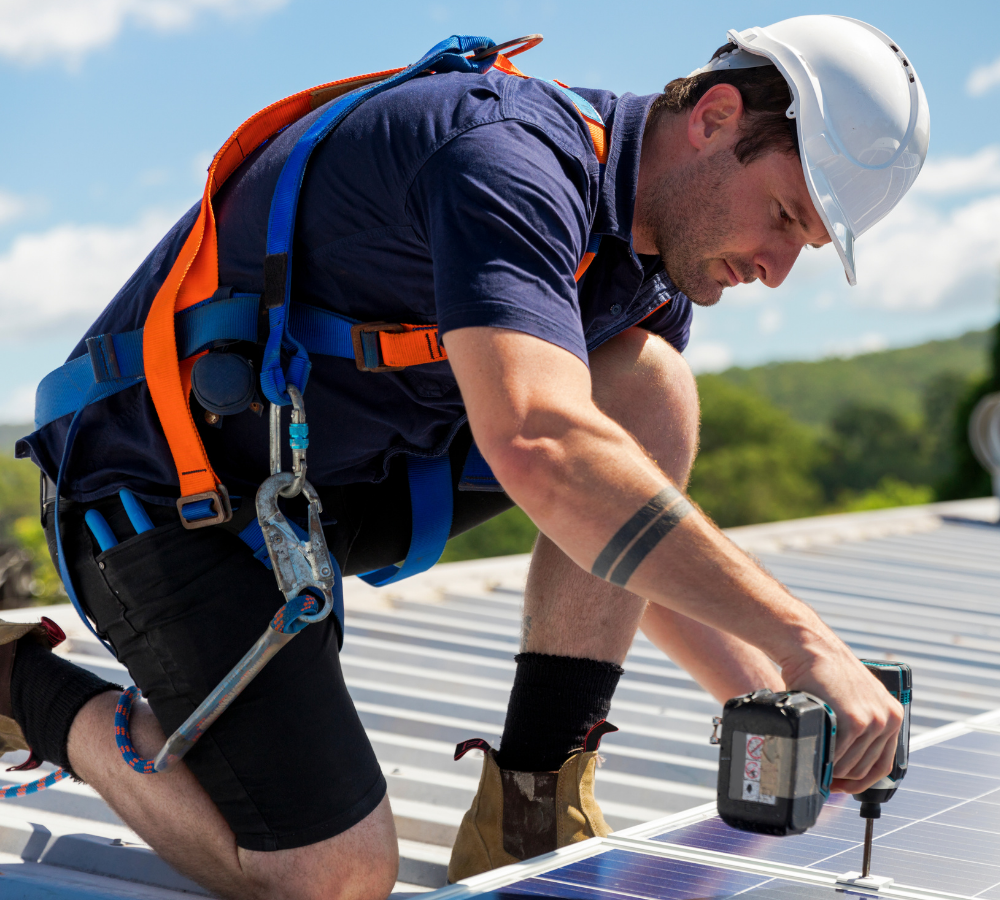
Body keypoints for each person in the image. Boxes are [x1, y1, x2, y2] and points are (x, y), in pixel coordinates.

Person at [0, 15, 929, 900]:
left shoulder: (648, 265)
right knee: (331, 877)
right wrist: (806, 642)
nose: (777, 267)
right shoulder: (506, 159)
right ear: (715, 117)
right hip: (158, 501)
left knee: (645, 387)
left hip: (314, 493)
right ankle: (21, 683)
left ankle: (531, 804)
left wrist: (772, 705)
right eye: (782, 213)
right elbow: (542, 448)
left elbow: (619, 523)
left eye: (805, 243)